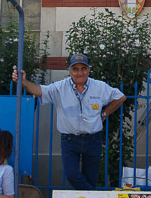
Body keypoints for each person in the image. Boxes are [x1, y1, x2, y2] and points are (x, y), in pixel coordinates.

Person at [13, 54, 125, 189]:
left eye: (83, 68)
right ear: (70, 71)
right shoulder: (60, 87)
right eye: (75, 69)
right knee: (72, 175)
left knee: (91, 178)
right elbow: (40, 91)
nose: (80, 73)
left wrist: (104, 113)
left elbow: (120, 97)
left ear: (88, 70)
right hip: (70, 140)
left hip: (93, 139)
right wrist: (24, 82)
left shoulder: (99, 87)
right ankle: (94, 196)